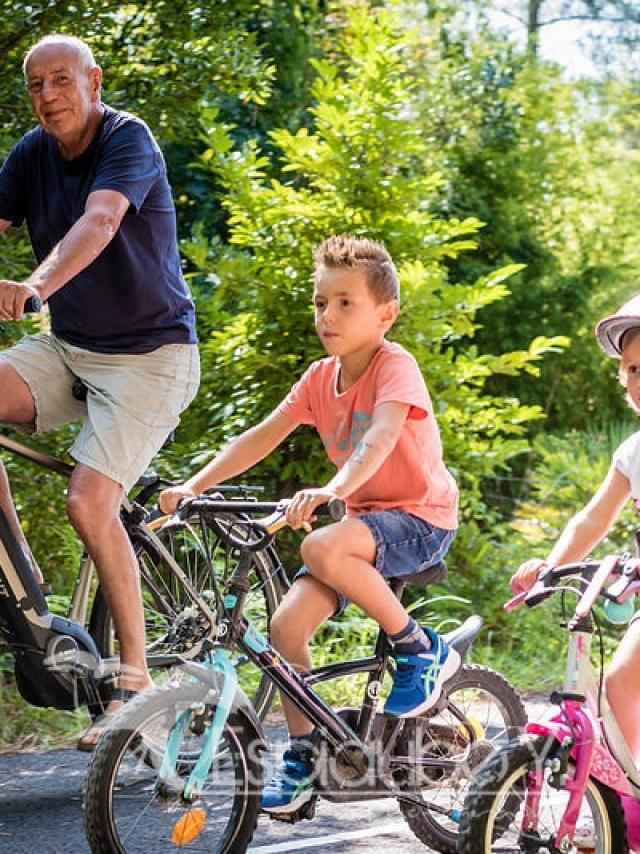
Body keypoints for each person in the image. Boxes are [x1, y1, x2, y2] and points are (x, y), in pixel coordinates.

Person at [159, 234, 459, 814]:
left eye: (346, 302)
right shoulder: (321, 379)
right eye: (322, 302)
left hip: (421, 518)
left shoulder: (396, 368)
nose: (329, 314)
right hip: (364, 525)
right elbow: (261, 436)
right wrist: (194, 487)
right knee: (285, 626)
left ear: (386, 313)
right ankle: (305, 757)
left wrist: (331, 490)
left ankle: (421, 650)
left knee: (323, 545)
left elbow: (378, 440)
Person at [0, 34, 200, 748]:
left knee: (88, 499)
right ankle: (24, 594)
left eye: (60, 81)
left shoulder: (128, 140)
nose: (48, 96)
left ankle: (135, 681)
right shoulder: (30, 154)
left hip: (152, 356)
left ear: (93, 80)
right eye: (35, 86)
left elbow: (101, 221)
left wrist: (34, 286)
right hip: (74, 347)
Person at [511, 294, 640, 846]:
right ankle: (632, 801)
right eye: (633, 368)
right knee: (616, 685)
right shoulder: (633, 452)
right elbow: (592, 519)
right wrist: (550, 566)